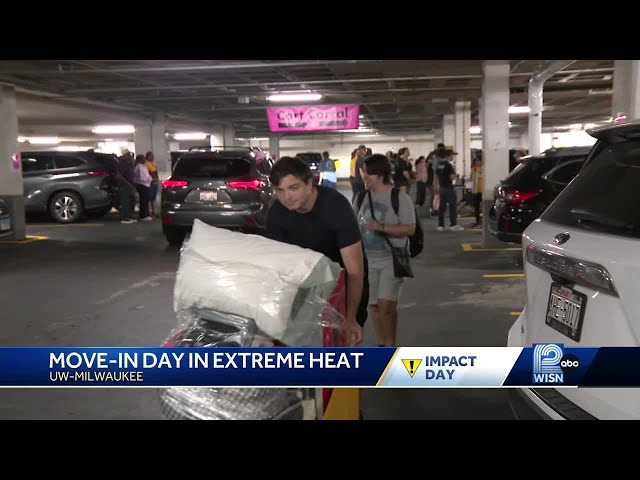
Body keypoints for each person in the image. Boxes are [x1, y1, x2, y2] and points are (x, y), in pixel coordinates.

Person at [265, 156, 368, 346]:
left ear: (309, 184)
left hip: (343, 283)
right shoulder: (277, 213)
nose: (286, 197)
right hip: (303, 283)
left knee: (338, 350)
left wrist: (351, 318)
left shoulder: (336, 208)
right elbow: (276, 269)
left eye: (293, 188)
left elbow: (355, 272)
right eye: (280, 190)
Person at [353, 154, 416, 346]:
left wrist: (380, 227)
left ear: (379, 174)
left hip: (392, 258)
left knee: (386, 305)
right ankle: (382, 346)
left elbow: (410, 228)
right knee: (373, 306)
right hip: (368, 259)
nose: (363, 176)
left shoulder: (399, 198)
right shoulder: (361, 197)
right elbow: (353, 224)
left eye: (366, 173)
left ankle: (390, 346)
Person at [435, 149, 463, 231]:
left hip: (442, 188)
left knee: (442, 207)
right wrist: (456, 175)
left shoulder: (439, 165)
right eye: (452, 155)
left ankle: (440, 225)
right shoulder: (448, 165)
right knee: (452, 207)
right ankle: (453, 225)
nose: (453, 157)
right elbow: (452, 177)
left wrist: (436, 186)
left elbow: (436, 176)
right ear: (447, 156)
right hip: (449, 188)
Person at [133, 154, 153, 221]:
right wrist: (150, 179)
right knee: (144, 201)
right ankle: (144, 215)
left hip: (142, 185)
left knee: (144, 200)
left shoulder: (139, 166)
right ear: (140, 159)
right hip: (143, 185)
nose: (145, 160)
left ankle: (144, 214)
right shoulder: (140, 167)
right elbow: (143, 177)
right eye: (143, 158)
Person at [470, 151, 484, 227]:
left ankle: (483, 222)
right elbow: (471, 178)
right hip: (476, 191)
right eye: (477, 161)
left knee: (483, 207)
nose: (478, 162)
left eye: (479, 161)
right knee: (476, 207)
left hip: (483, 191)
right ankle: (477, 221)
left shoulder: (484, 169)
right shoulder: (474, 169)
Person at [144, 151, 160, 218]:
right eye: (151, 156)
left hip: (155, 182)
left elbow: (156, 173)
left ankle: (154, 212)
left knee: (153, 198)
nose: (152, 157)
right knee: (149, 198)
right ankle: (149, 212)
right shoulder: (146, 164)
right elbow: (147, 174)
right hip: (150, 183)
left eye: (153, 156)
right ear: (147, 156)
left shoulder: (153, 163)